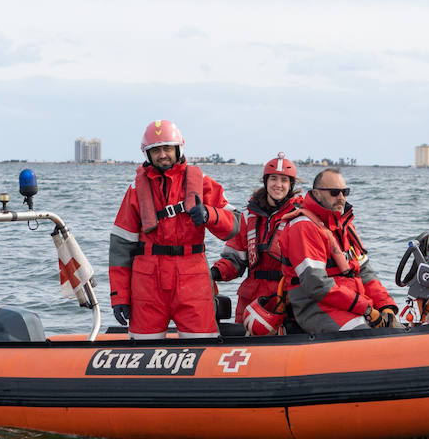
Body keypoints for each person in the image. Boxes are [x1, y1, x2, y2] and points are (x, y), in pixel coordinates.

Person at [108, 119, 238, 339]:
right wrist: (119, 297)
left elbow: (234, 225)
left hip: (192, 278)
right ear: (147, 154)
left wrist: (209, 214)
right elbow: (121, 247)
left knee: (202, 350)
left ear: (178, 148)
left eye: (167, 148)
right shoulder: (135, 189)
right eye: (156, 150)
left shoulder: (202, 182)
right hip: (147, 283)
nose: (162, 155)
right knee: (142, 353)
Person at [276, 167, 401, 333]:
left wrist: (386, 306)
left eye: (345, 192)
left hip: (353, 304)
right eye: (335, 192)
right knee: (364, 335)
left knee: (396, 330)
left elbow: (365, 273)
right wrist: (367, 309)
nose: (341, 198)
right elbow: (316, 284)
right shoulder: (303, 227)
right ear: (317, 194)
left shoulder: (344, 227)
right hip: (316, 307)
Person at [211, 153, 303, 331]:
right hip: (251, 297)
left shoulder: (300, 217)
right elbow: (234, 259)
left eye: (284, 180)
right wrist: (214, 272)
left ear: (291, 185)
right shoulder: (248, 216)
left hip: (285, 298)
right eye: (273, 179)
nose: (278, 184)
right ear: (266, 181)